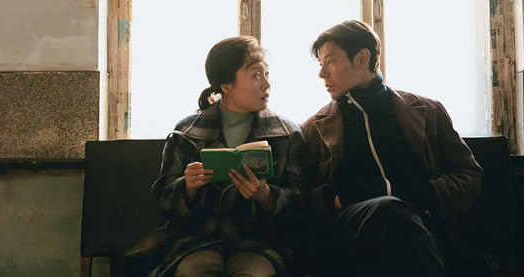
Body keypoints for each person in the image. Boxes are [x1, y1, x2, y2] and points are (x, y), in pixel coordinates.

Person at [300, 20, 483, 277]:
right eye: (321, 64)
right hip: (350, 234)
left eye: (330, 61)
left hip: (421, 227)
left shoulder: (427, 111)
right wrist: (336, 199)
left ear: (362, 58)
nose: (322, 74)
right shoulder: (314, 129)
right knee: (389, 212)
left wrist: (422, 194)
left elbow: (469, 176)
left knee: (397, 219)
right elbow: (301, 197)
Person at [148, 36, 307, 277]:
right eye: (256, 75)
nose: (267, 84)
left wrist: (267, 196)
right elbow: (163, 201)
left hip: (261, 242)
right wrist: (187, 188)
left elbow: (303, 204)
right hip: (199, 241)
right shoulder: (187, 133)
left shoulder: (287, 134)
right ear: (226, 85)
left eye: (267, 74)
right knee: (193, 272)